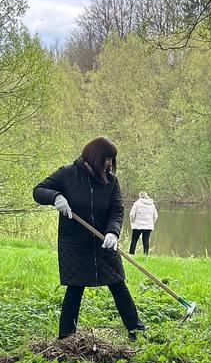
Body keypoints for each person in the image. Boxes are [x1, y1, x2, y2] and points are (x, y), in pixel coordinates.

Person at [33, 137, 146, 340]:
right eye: (107, 158)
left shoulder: (111, 182)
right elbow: (38, 191)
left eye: (112, 159)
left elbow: (117, 210)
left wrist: (113, 232)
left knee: (118, 284)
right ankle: (66, 338)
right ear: (95, 156)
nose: (110, 163)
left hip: (103, 241)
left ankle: (136, 330)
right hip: (75, 244)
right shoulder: (67, 174)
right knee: (75, 289)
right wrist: (56, 197)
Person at [129, 190, 159, 254]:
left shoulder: (136, 203)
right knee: (146, 240)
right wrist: (151, 222)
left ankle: (131, 254)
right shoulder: (152, 204)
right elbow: (156, 216)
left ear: (140, 196)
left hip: (137, 225)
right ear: (146, 196)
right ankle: (145, 255)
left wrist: (132, 222)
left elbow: (132, 214)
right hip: (148, 226)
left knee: (134, 240)